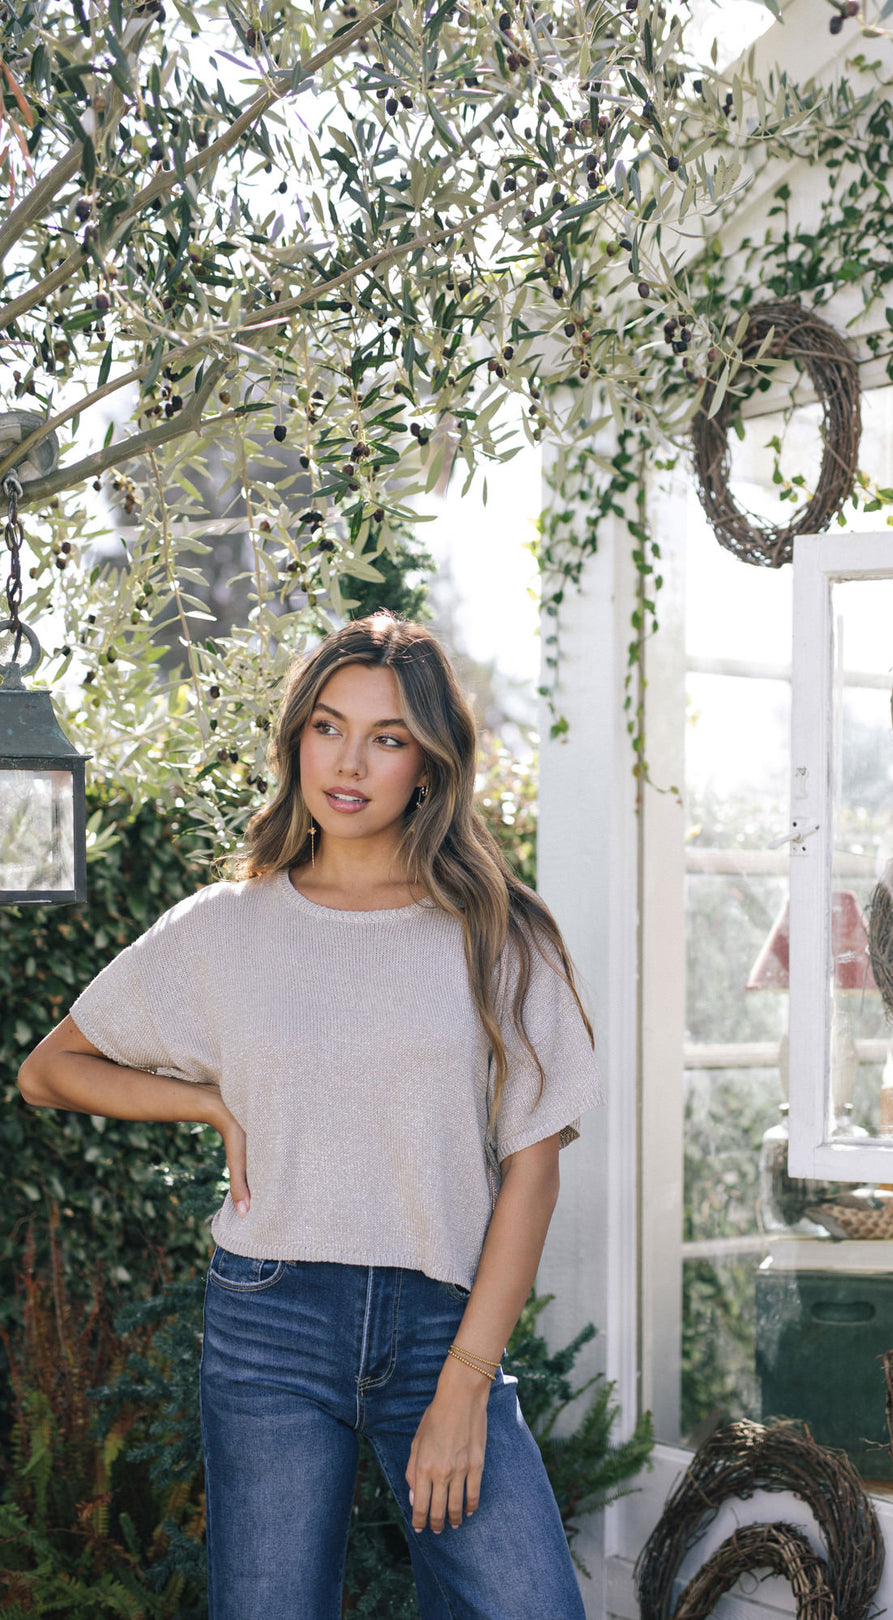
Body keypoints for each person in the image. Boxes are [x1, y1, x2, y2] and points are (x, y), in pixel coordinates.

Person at [17, 613, 605, 1620]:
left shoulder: (500, 933)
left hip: (440, 1326)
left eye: (386, 737)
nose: (349, 761)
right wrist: (206, 1101)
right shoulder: (225, 930)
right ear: (296, 739)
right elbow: (50, 1069)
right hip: (270, 1320)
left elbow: (533, 1169)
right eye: (328, 726)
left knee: (531, 1606)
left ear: (427, 762)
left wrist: (467, 1379)